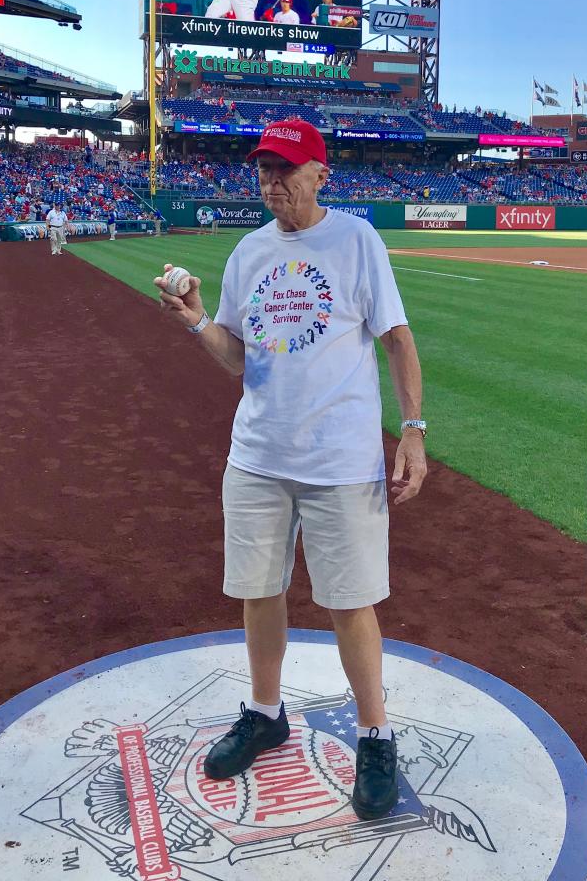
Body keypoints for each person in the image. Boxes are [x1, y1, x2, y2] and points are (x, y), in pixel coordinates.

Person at [154, 118, 427, 822]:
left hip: (340, 459)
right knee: (258, 589)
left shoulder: (356, 240)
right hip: (258, 456)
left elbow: (397, 339)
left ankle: (375, 733)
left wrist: (414, 433)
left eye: (286, 168)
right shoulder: (248, 252)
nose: (272, 180)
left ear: (319, 175)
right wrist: (193, 318)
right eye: (264, 169)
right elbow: (237, 356)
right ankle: (266, 712)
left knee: (348, 600)